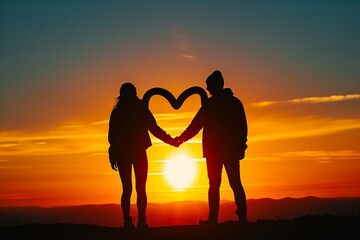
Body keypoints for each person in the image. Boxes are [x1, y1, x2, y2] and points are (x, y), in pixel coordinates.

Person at [176, 70, 248, 224]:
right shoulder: (235, 102)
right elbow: (242, 127)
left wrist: (180, 139)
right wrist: (241, 147)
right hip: (228, 151)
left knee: (216, 185)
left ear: (215, 86)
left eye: (208, 86)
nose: (207, 89)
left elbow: (195, 126)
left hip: (216, 151)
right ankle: (240, 217)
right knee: (233, 183)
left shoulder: (211, 105)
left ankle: (215, 219)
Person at [108, 82, 177, 229]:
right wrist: (171, 141)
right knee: (137, 189)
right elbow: (154, 129)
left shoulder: (119, 112)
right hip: (135, 153)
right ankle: (139, 222)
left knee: (129, 189)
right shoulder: (139, 110)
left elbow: (112, 137)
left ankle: (132, 222)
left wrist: (112, 154)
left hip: (125, 154)